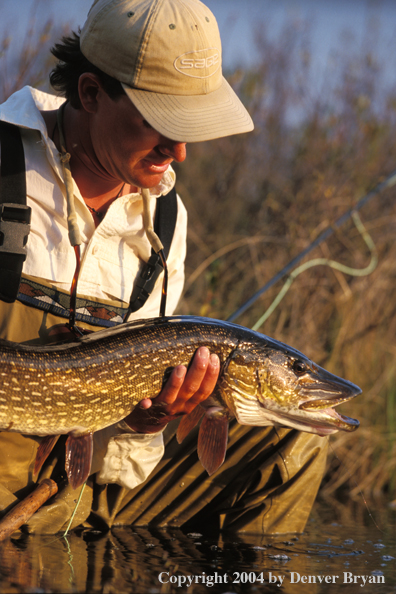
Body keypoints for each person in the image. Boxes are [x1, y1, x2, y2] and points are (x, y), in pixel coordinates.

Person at [0, 0, 327, 535]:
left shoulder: (167, 218)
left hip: (83, 491)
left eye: (189, 127)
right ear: (89, 92)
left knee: (295, 439)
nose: (178, 151)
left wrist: (146, 418)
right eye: (160, 123)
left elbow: (121, 447)